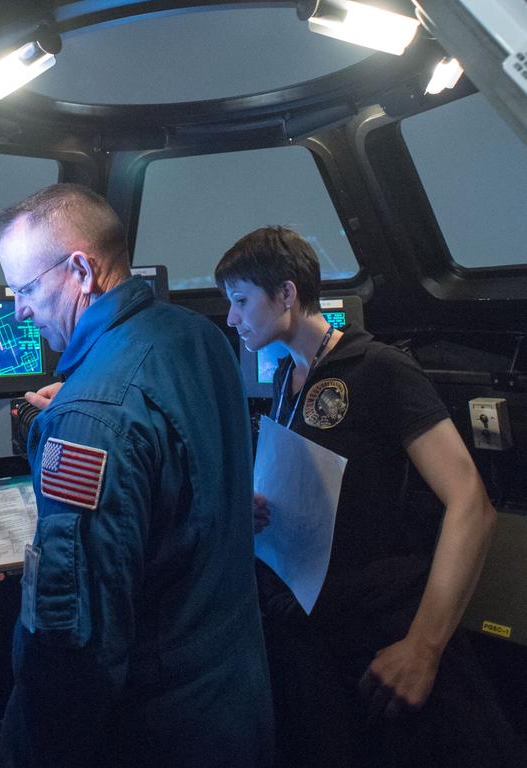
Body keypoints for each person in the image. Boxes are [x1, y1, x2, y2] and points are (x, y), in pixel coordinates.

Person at [215, 225, 523, 768]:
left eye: (241, 301)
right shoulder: (289, 375)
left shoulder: (379, 368)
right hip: (315, 633)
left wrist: (424, 649)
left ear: (286, 294)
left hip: (378, 629)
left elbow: (471, 504)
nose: (233, 318)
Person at [0, 183, 273, 768]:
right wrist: (86, 405)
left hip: (153, 735)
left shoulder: (90, 420)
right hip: (233, 703)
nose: (18, 310)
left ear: (80, 271)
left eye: (24, 289)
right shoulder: (200, 339)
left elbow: (74, 646)